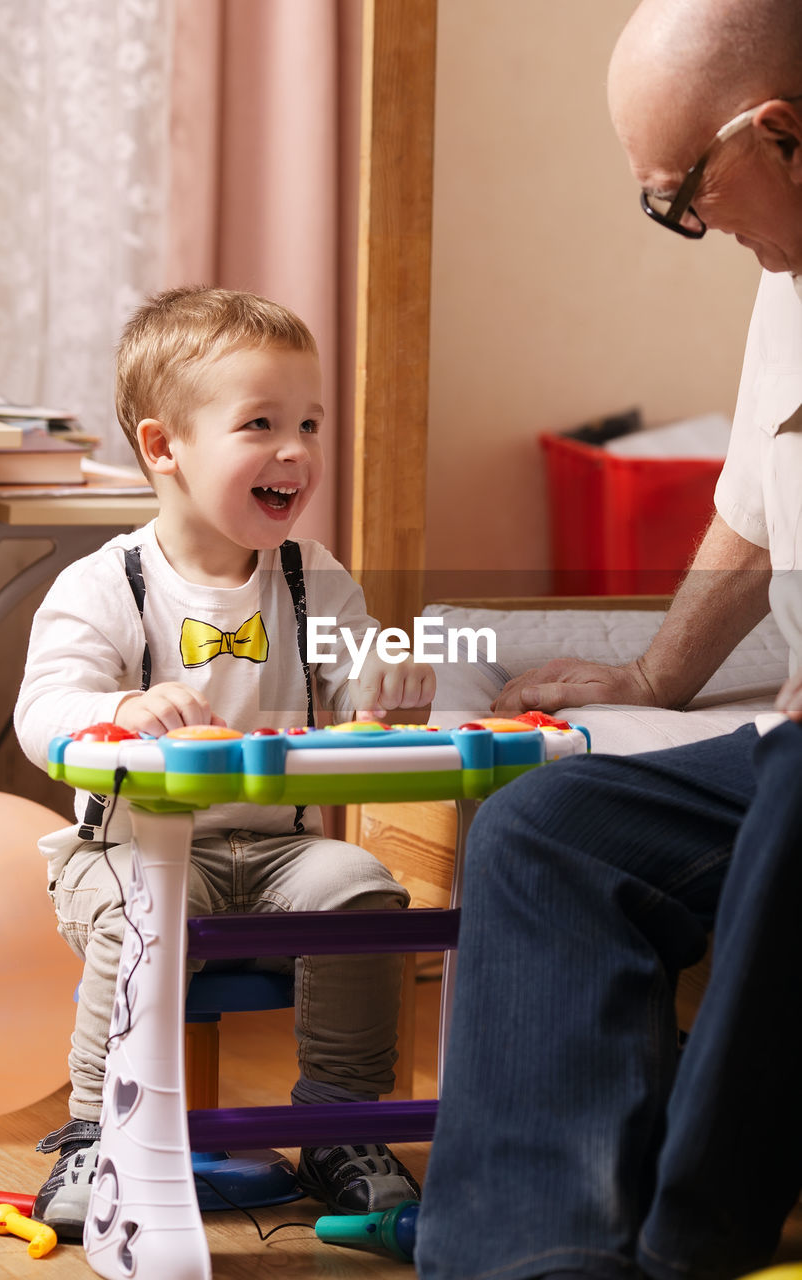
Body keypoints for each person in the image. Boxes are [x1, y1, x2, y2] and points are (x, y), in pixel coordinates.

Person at [415, 2, 802, 1278]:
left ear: (779, 132)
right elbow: (750, 519)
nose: (692, 231)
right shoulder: (786, 280)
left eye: (676, 195)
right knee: (545, 831)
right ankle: (530, 1258)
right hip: (789, 741)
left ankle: (691, 1246)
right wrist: (649, 677)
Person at [14, 285, 435, 1239]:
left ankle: (341, 1124)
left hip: (278, 853)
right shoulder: (105, 584)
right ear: (164, 447)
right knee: (144, 902)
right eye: (261, 423)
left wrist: (390, 679)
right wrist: (123, 709)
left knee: (363, 886)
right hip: (126, 854)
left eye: (309, 423)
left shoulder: (310, 575)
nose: (297, 450)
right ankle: (94, 1127)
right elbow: (43, 713)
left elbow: (361, 658)